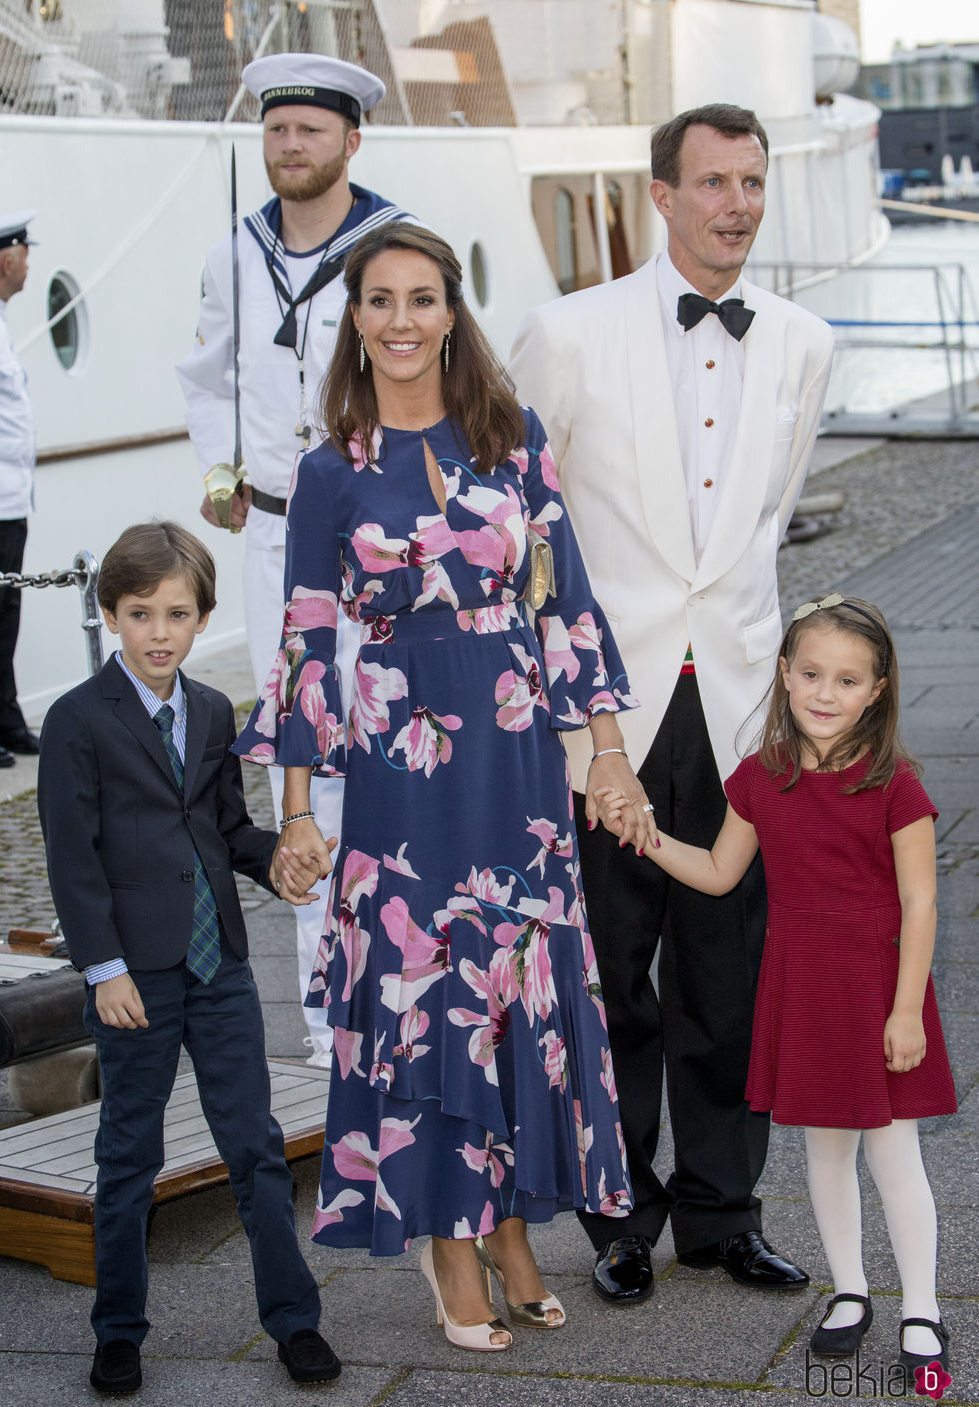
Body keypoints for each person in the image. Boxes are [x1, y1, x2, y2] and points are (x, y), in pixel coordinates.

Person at [233, 223, 634, 1351]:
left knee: (515, 977)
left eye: (421, 299)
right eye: (378, 302)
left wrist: (603, 752)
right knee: (422, 982)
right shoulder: (327, 473)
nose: (400, 321)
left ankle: (507, 1222)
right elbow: (308, 645)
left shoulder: (510, 441)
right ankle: (447, 1244)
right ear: (352, 319)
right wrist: (298, 812)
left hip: (511, 755)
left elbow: (566, 602)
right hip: (402, 757)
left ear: (451, 312)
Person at [509, 102, 834, 1303]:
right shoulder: (563, 332)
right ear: (660, 193)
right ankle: (613, 1215)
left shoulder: (801, 342)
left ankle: (720, 1214)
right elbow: (523, 538)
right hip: (602, 711)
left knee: (728, 974)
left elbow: (761, 526)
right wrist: (560, 719)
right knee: (605, 972)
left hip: (742, 700)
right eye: (712, 182)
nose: (736, 205)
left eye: (751, 182)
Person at [596, 594, 957, 1373]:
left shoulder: (896, 785)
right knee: (825, 1152)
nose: (826, 694)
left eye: (849, 680)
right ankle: (852, 1290)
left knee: (895, 1156)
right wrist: (647, 833)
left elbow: (923, 901)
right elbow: (721, 873)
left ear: (880, 688)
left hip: (877, 989)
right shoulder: (760, 778)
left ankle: (923, 1308)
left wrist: (906, 1011)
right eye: (812, 674)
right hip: (805, 989)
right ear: (784, 675)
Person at [37, 521, 342, 1396]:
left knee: (256, 1144)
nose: (159, 632)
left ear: (202, 618)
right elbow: (73, 857)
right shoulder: (75, 721)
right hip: (134, 975)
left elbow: (223, 827)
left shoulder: (212, 711)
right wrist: (104, 970)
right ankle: (118, 1332)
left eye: (176, 613)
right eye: (140, 614)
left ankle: (295, 1321)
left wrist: (275, 864)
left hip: (220, 969)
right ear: (111, 615)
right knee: (128, 1153)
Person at [177, 53, 413, 1066]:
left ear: (350, 141)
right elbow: (206, 370)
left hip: (376, 540)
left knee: (399, 747)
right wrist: (219, 468)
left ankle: (403, 986)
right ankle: (326, 1020)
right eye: (277, 132)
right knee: (298, 766)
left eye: (310, 131)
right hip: (276, 537)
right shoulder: (234, 254)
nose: (290, 148)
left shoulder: (394, 251)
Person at [0, 209, 40, 766]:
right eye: (27, 252)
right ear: (7, 258)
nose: (29, 263)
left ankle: (6, 719)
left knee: (6, 612)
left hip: (11, 497)